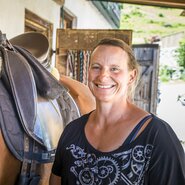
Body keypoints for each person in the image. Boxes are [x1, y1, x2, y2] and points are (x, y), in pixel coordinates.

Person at [49, 38, 185, 185]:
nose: (103, 76)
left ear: (131, 76)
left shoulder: (157, 136)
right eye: (96, 67)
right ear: (88, 72)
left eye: (114, 69)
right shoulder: (71, 131)